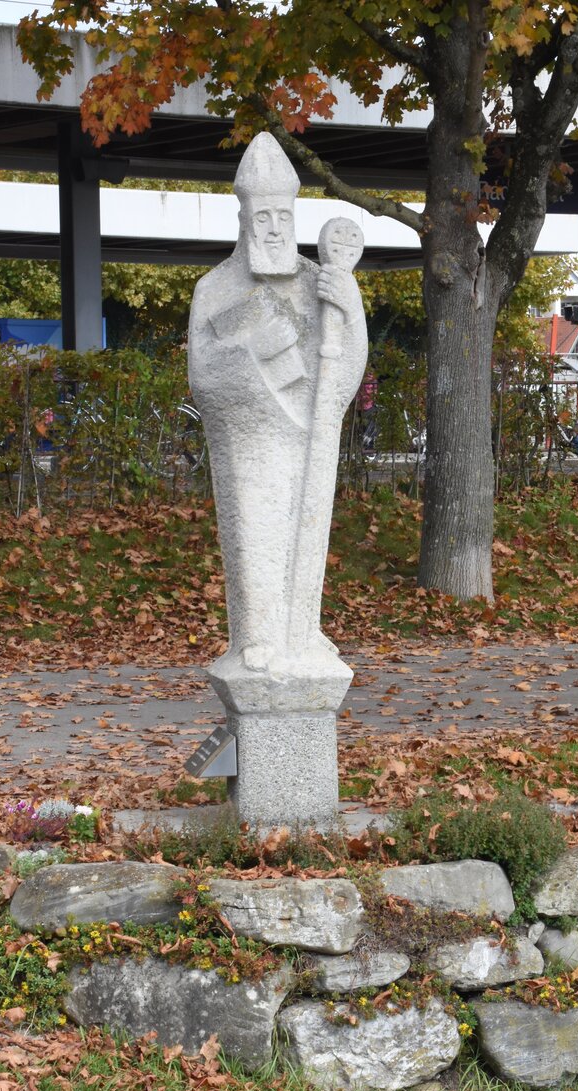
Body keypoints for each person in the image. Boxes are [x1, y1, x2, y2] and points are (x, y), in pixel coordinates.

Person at [188, 133, 367, 682]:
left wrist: (351, 308)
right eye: (261, 218)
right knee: (255, 536)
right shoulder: (215, 287)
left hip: (307, 436)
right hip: (249, 445)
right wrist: (254, 359)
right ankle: (257, 638)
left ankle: (302, 629)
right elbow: (203, 377)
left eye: (281, 218)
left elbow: (346, 368)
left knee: (306, 531)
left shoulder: (319, 282)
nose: (272, 229)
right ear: (244, 223)